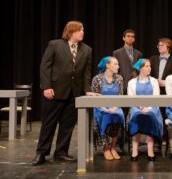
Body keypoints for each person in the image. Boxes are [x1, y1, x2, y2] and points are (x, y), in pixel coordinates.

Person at [32, 21, 92, 166]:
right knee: (49, 123)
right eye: (80, 30)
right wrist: (46, 86)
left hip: (74, 92)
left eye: (83, 30)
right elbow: (45, 66)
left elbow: (86, 73)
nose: (83, 32)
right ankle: (41, 153)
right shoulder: (55, 45)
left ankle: (61, 152)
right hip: (55, 91)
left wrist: (87, 90)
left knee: (67, 125)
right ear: (71, 32)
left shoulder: (87, 49)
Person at [127, 59, 163, 161]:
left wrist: (148, 107)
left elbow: (156, 97)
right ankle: (135, 150)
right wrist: (141, 107)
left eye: (150, 66)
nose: (149, 68)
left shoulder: (154, 81)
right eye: (147, 66)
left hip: (152, 106)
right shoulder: (132, 82)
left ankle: (150, 150)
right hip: (136, 106)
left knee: (150, 115)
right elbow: (131, 99)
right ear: (140, 68)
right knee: (137, 115)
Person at [91, 56, 125, 161]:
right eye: (115, 64)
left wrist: (114, 108)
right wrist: (105, 108)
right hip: (101, 107)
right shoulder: (97, 79)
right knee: (106, 116)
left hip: (115, 106)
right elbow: (94, 96)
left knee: (117, 115)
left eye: (118, 64)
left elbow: (120, 95)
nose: (118, 66)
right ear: (107, 65)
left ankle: (113, 147)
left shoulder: (119, 78)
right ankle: (106, 147)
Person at [113, 29, 143, 94]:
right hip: (122, 84)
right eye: (128, 36)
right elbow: (115, 69)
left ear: (134, 39)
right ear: (123, 38)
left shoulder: (139, 53)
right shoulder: (117, 53)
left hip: (135, 84)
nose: (130, 38)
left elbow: (140, 69)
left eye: (132, 37)